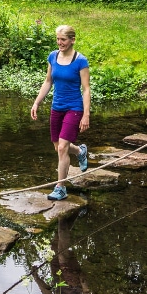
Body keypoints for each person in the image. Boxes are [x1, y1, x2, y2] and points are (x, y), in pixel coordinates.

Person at [30, 24, 90, 200]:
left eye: (63, 39)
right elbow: (48, 82)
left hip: (74, 108)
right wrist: (36, 103)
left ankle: (60, 188)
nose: (59, 43)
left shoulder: (80, 61)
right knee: (58, 147)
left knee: (63, 148)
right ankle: (80, 151)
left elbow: (86, 89)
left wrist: (86, 114)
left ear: (72, 40)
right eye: (58, 39)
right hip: (57, 107)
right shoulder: (53, 56)